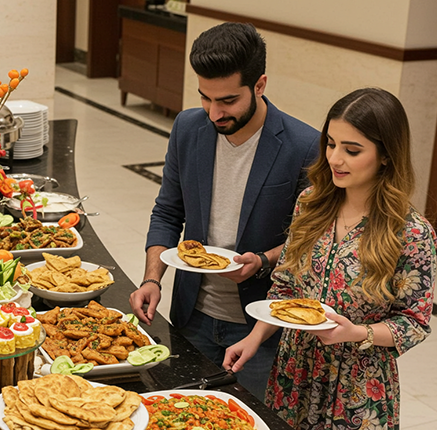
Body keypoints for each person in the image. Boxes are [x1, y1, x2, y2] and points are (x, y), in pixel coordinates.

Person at [223, 87, 436, 429]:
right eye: (331, 144)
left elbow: (414, 323)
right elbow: (285, 287)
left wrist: (356, 332)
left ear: (386, 156)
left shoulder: (411, 233)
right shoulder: (311, 202)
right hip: (295, 370)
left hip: (358, 387)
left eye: (352, 150)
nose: (335, 159)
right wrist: (254, 338)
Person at [128, 22, 320, 400]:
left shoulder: (304, 146)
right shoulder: (187, 128)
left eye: (228, 101)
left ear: (260, 85)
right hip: (191, 315)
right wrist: (152, 279)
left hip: (259, 328)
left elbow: (310, 241)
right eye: (205, 98)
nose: (214, 113)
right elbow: (167, 212)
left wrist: (263, 260)